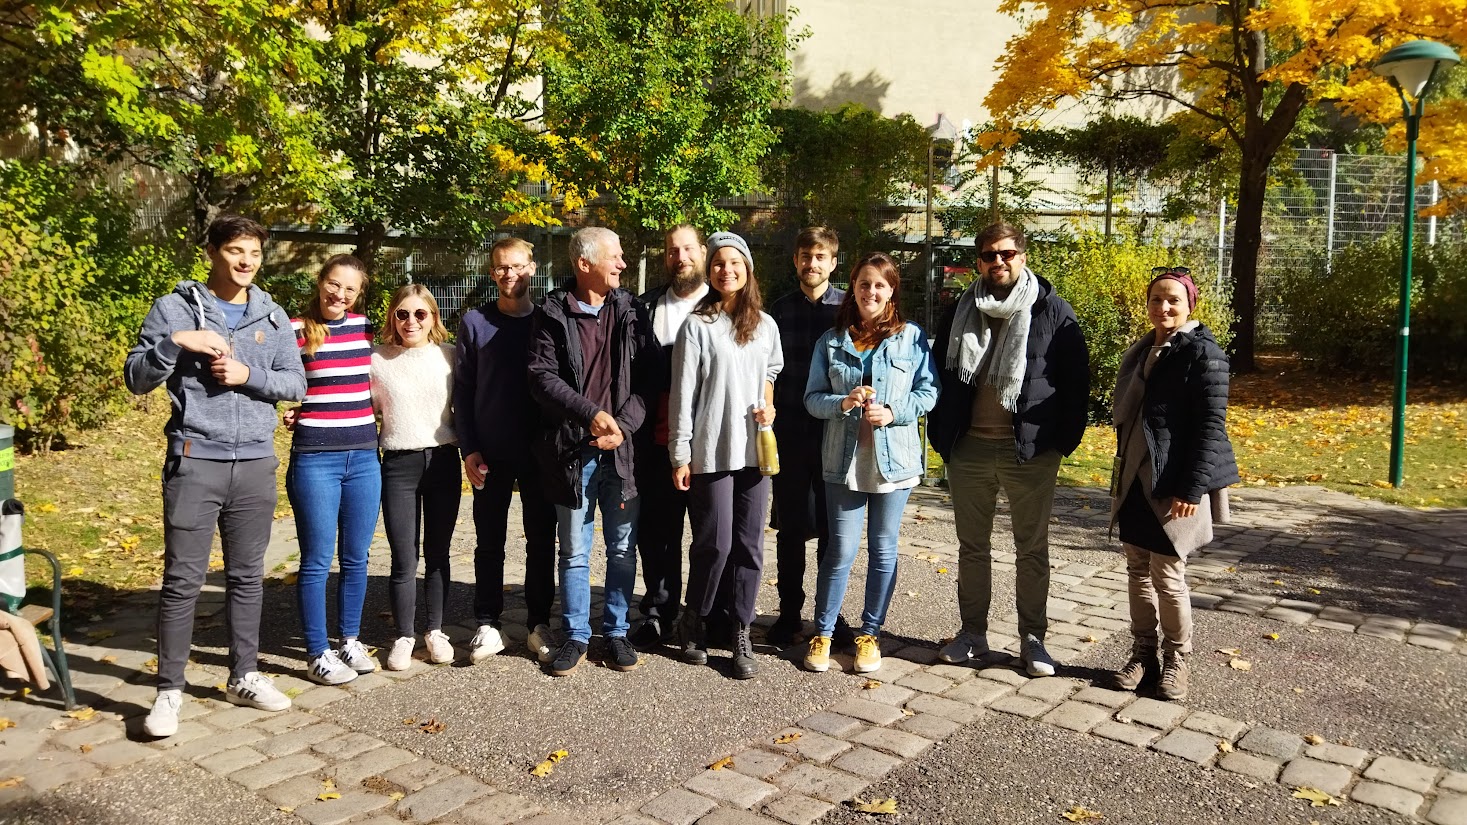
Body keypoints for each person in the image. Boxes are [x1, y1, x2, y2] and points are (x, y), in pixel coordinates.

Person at [125, 215, 306, 737]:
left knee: (248, 576)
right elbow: (137, 377)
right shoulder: (174, 309)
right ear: (211, 251)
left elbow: (295, 383)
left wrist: (250, 377)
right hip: (195, 459)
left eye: (253, 252)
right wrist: (177, 341)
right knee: (183, 581)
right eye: (234, 251)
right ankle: (169, 692)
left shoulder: (271, 315)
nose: (245, 261)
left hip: (254, 461)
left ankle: (243, 675)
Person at [928, 222, 1089, 677]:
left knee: (1031, 549)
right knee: (971, 547)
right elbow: (939, 375)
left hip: (1030, 452)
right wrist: (944, 437)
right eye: (987, 255)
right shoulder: (960, 307)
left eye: (1006, 254)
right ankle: (972, 634)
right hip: (970, 449)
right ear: (978, 261)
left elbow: (1077, 384)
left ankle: (1033, 639)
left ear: (1022, 255)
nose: (997, 262)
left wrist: (1058, 445)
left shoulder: (1052, 310)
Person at [802, 253, 939, 674]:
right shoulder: (831, 340)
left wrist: (895, 411)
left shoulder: (911, 338)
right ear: (854, 287)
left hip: (894, 462)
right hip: (842, 463)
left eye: (880, 285)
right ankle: (823, 633)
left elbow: (929, 392)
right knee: (839, 551)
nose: (871, 292)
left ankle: (870, 635)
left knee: (883, 550)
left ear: (892, 290)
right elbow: (811, 399)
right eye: (864, 283)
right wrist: (842, 402)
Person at [528, 227, 654, 677]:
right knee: (575, 550)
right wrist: (589, 414)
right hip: (572, 453)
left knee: (622, 548)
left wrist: (622, 427)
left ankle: (616, 632)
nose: (622, 264)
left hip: (620, 452)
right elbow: (542, 378)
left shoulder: (632, 311)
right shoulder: (550, 314)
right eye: (615, 257)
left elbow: (648, 381)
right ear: (585, 264)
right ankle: (577, 634)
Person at [1110, 267, 1238, 701]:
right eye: (1156, 300)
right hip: (1132, 478)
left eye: (1173, 301)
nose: (1163, 308)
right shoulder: (1142, 351)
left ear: (1190, 306)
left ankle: (1177, 659)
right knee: (1136, 570)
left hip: (1173, 482)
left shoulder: (1205, 354)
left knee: (1168, 574)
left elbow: (1210, 428)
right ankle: (1143, 653)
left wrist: (1191, 488)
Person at [670, 231, 783, 679]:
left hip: (755, 452)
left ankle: (740, 629)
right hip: (710, 451)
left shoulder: (766, 325)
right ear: (709, 271)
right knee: (713, 544)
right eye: (718, 263)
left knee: (750, 546)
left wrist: (768, 403)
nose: (727, 270)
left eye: (735, 263)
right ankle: (694, 620)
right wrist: (681, 456)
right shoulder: (697, 326)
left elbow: (770, 370)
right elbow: (683, 397)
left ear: (748, 269)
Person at [456, 238, 559, 665]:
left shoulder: (549, 320)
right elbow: (463, 389)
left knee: (541, 541)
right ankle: (487, 621)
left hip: (540, 452)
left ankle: (539, 622)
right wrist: (469, 448)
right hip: (491, 452)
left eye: (516, 266)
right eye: (501, 267)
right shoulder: (475, 322)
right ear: (491, 272)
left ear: (532, 268)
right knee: (488, 541)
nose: (508, 273)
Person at [286, 255, 381, 686]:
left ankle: (349, 639)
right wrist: (289, 408)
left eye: (349, 289)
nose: (339, 295)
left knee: (356, 558)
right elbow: (280, 382)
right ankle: (315, 652)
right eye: (333, 284)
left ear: (358, 295)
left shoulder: (366, 330)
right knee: (317, 560)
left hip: (363, 457)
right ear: (320, 282)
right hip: (315, 460)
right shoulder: (294, 330)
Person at [765, 227, 847, 648]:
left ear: (833, 263)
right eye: (804, 256)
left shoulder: (848, 311)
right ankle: (789, 613)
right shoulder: (778, 311)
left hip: (838, 435)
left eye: (819, 256)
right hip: (790, 436)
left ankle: (830, 615)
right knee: (791, 529)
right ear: (795, 261)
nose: (811, 263)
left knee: (836, 529)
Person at [630, 225, 709, 649]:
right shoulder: (646, 308)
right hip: (655, 444)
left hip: (710, 444)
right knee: (658, 534)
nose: (681, 256)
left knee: (710, 535)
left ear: (703, 253)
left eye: (688, 249)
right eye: (672, 250)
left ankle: (703, 614)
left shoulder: (724, 306)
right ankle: (660, 611)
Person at [375, 286, 461, 669]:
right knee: (402, 557)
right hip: (398, 464)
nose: (411, 321)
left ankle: (435, 630)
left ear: (433, 319)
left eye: (420, 314)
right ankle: (404, 635)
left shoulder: (450, 357)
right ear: (393, 317)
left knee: (438, 552)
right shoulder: (376, 360)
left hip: (443, 460)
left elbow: (474, 403)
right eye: (402, 314)